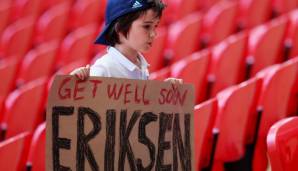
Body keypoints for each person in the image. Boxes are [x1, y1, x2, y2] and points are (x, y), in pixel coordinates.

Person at [70, 0, 182, 84]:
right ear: (120, 29)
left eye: (155, 26)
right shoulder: (103, 69)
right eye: (147, 26)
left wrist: (164, 93)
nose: (154, 34)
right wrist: (76, 85)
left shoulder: (141, 65)